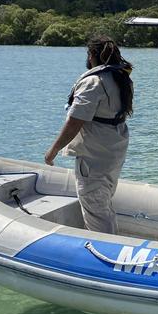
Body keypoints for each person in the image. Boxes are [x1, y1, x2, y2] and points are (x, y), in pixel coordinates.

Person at [45, 36, 133, 234]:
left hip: (95, 153)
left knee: (94, 204)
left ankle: (104, 249)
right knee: (103, 199)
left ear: (92, 55)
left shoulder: (94, 82)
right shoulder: (120, 78)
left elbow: (75, 121)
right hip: (114, 148)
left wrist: (53, 150)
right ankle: (112, 239)